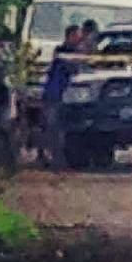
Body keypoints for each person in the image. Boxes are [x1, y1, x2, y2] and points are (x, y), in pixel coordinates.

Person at [40, 25, 84, 168]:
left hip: (69, 96)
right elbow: (70, 69)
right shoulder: (63, 52)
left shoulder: (76, 52)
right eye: (77, 35)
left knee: (62, 127)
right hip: (55, 93)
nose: (80, 38)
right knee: (52, 126)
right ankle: (51, 156)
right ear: (70, 35)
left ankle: (59, 157)